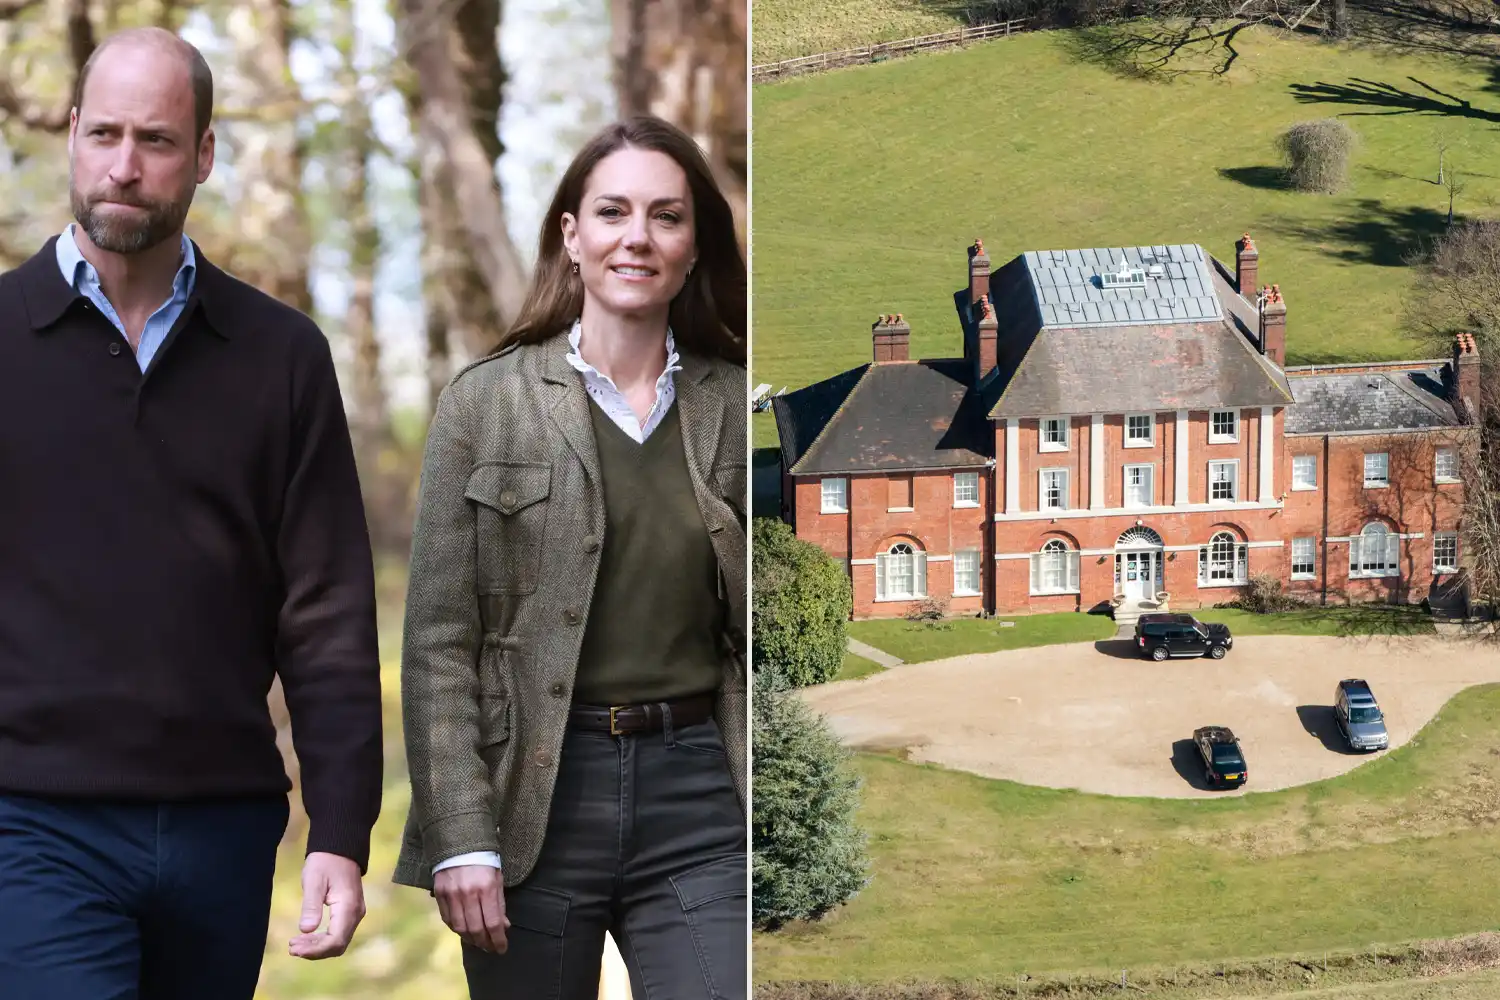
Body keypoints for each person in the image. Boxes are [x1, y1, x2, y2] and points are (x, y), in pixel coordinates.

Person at [0, 27, 383, 998]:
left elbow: (327, 611)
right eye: (106, 135)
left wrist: (339, 830)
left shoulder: (281, 356)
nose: (124, 166)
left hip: (224, 830)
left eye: (158, 141)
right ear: (73, 135)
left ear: (204, 153)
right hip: (34, 824)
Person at [394, 115, 748, 1000]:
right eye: (613, 212)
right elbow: (440, 641)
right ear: (572, 234)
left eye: (666, 217)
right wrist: (460, 834)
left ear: (694, 246)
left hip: (699, 798)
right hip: (533, 802)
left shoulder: (736, 403)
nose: (638, 237)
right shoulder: (485, 405)